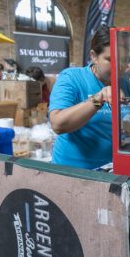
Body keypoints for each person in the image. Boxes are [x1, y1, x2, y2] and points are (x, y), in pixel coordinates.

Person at [49, 27, 113, 169]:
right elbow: (58, 124)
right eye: (109, 59)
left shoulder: (124, 83)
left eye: (123, 60)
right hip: (73, 172)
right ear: (94, 56)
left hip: (111, 170)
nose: (117, 67)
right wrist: (99, 98)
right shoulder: (72, 78)